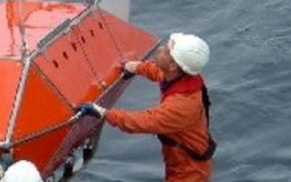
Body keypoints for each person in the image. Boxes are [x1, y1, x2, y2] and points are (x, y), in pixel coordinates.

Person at [76, 33, 216, 182]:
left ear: (173, 66)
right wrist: (136, 67)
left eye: (166, 51)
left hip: (189, 172)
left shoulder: (181, 106)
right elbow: (159, 72)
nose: (161, 49)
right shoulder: (179, 78)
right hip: (180, 160)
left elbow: (143, 122)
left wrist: (103, 113)